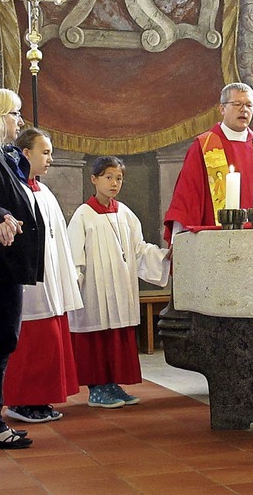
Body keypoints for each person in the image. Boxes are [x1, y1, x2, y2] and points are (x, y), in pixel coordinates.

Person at [67, 156, 170, 408]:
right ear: (94, 179)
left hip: (120, 286)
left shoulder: (125, 213)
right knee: (96, 336)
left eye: (119, 178)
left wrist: (164, 256)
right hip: (94, 289)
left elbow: (138, 249)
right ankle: (96, 389)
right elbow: (74, 256)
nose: (114, 183)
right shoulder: (83, 215)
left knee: (116, 336)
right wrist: (74, 287)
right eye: (108, 177)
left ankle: (112, 384)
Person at [0, 87, 45, 449]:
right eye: (13, 113)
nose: (19, 120)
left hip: (5, 262)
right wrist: (1, 214)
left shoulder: (1, 154)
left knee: (1, 341)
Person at [2, 128, 83, 422]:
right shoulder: (16, 190)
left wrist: (65, 275)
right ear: (26, 154)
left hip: (49, 282)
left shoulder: (44, 191)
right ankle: (21, 400)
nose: (50, 159)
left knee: (50, 339)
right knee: (31, 341)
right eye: (45, 152)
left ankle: (40, 399)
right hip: (29, 285)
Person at [163, 82, 253, 242]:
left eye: (249, 105)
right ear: (222, 109)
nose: (244, 110)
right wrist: (179, 241)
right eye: (237, 104)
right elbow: (187, 198)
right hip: (214, 243)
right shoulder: (204, 146)